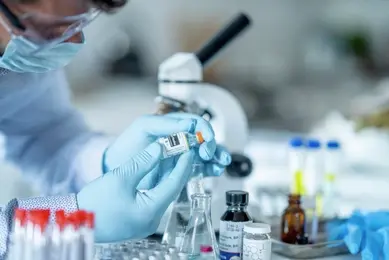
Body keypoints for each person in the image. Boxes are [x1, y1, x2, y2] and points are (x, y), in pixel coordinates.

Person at [0, 0, 232, 258]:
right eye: (54, 29)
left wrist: (109, 161)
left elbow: (43, 136)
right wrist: (66, 217)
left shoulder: (21, 54)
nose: (74, 41)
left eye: (79, 23)